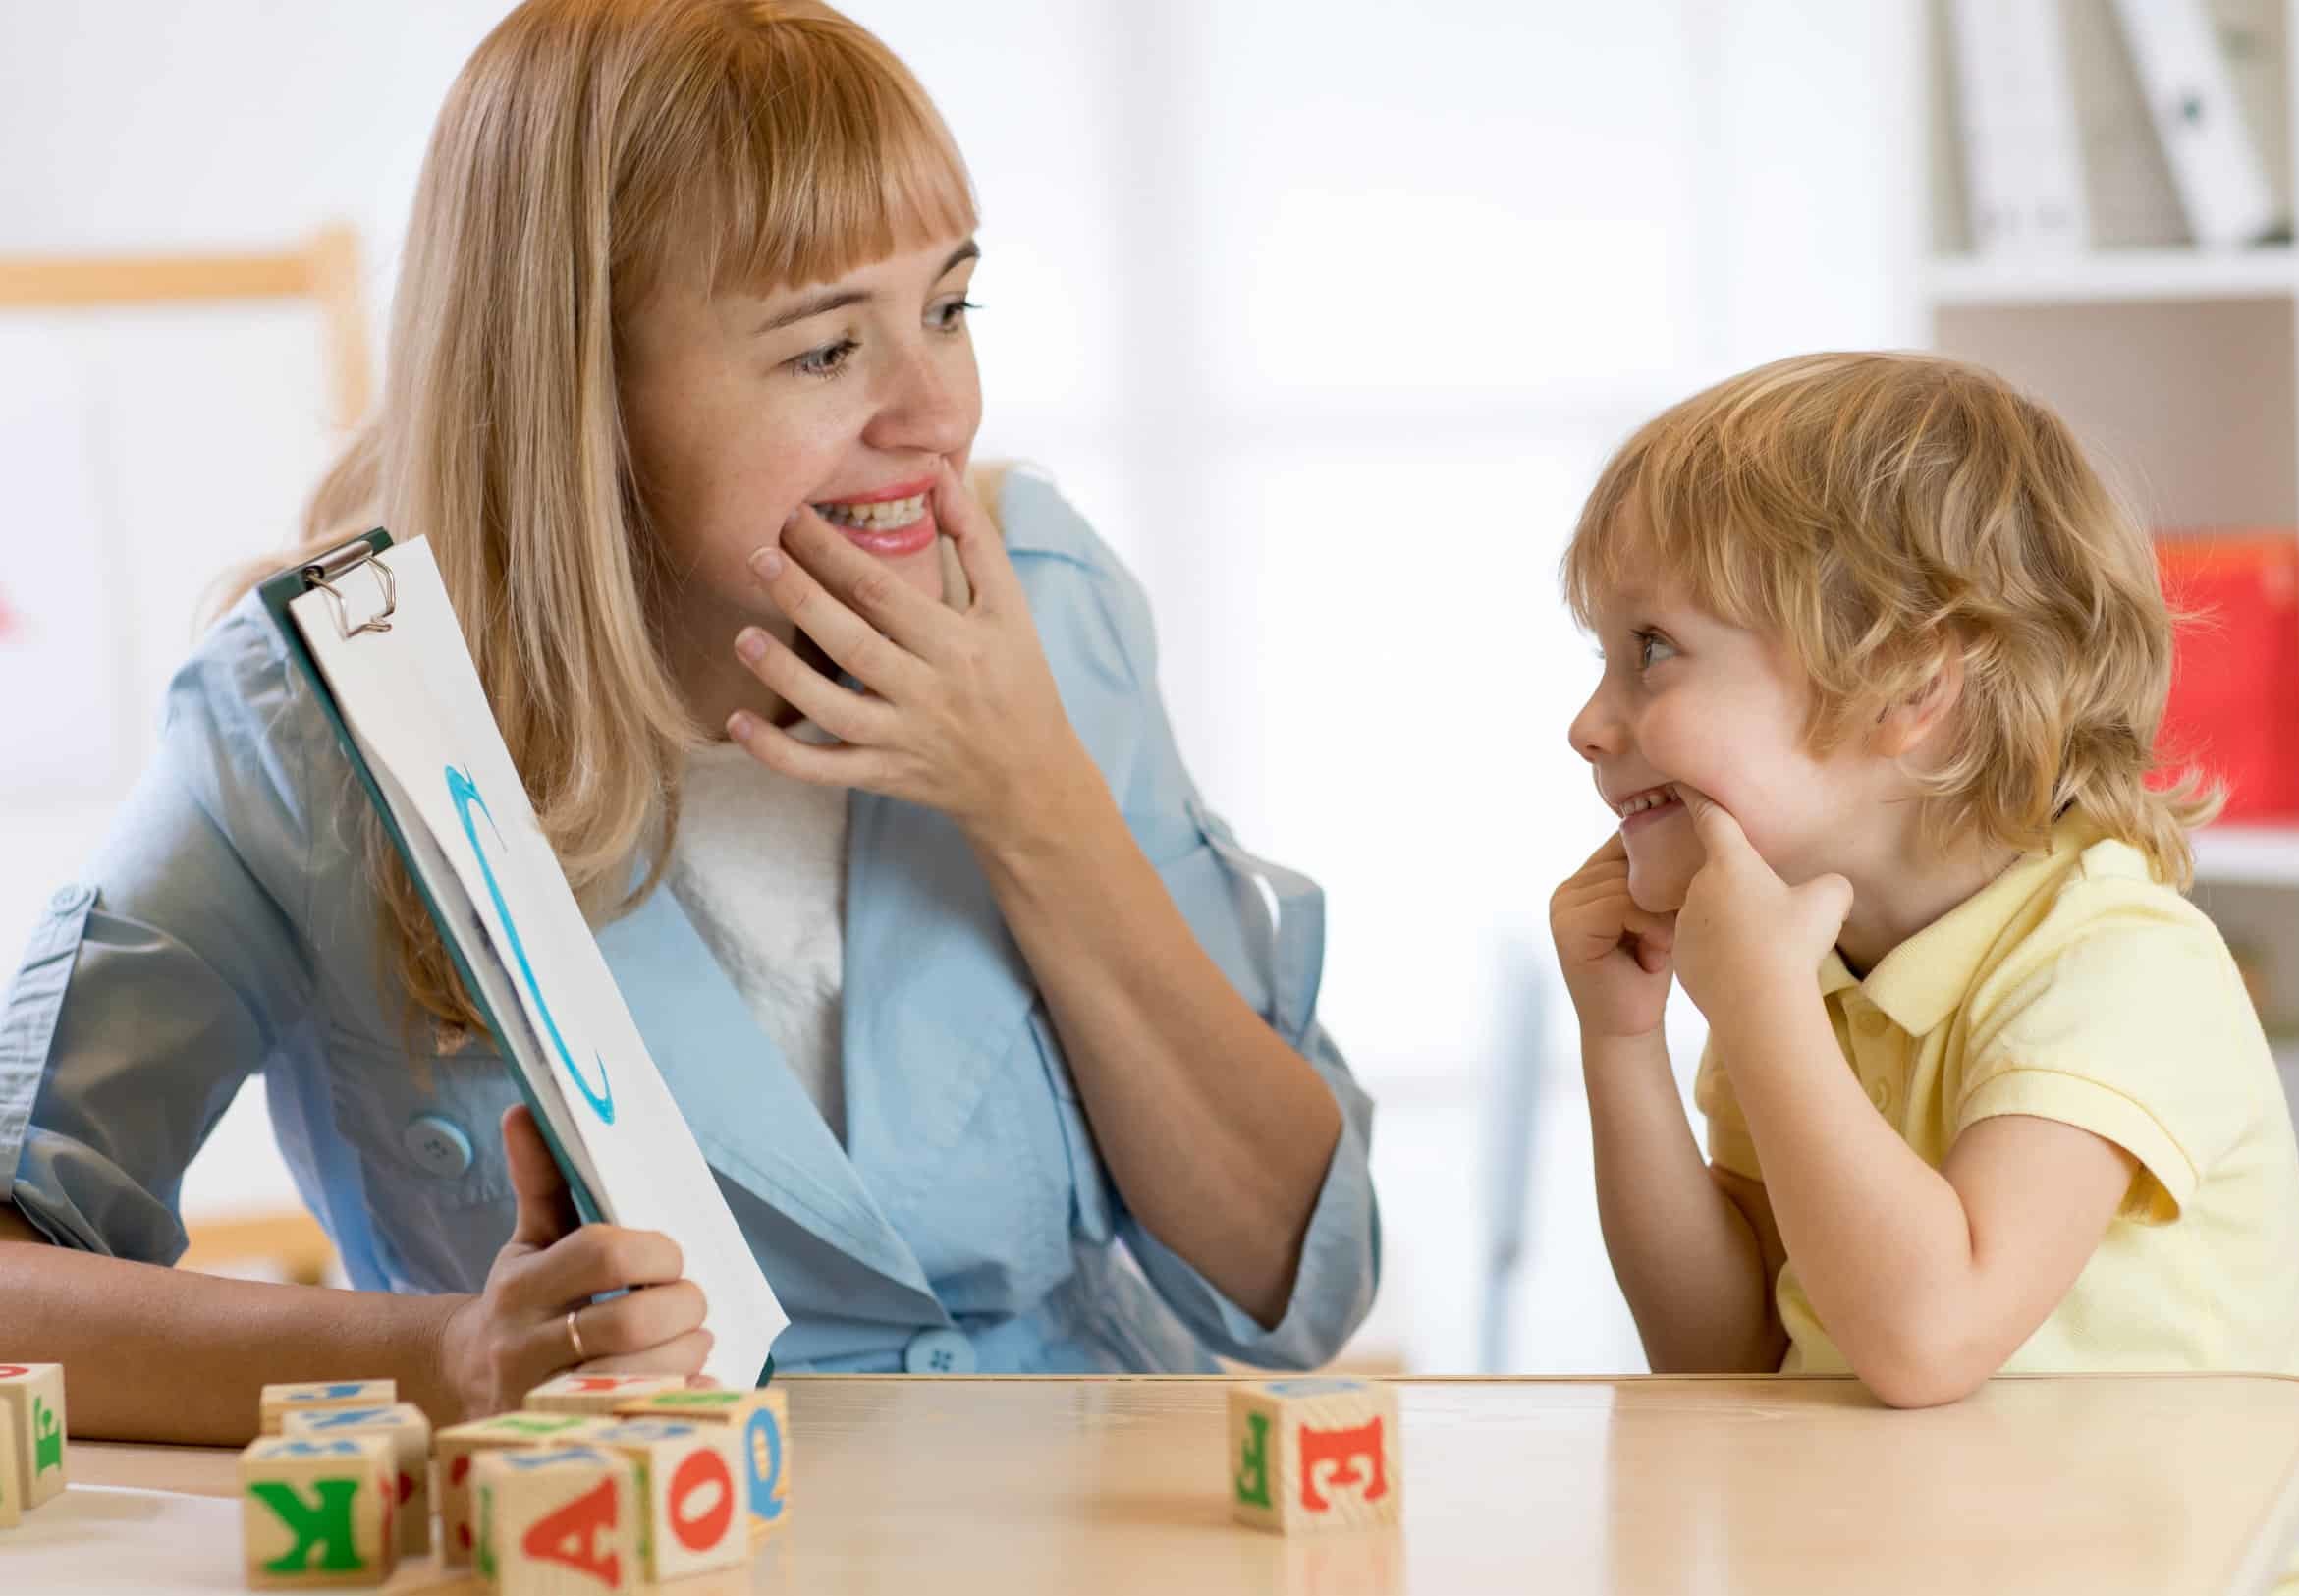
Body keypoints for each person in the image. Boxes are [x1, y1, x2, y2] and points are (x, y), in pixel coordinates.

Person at [0, 0, 1377, 1446]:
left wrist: (1035, 798)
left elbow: (1297, 1279)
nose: (937, 412)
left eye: (948, 308)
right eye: (826, 351)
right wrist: (451, 1358)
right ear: (579, 392)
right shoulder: (305, 723)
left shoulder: (1035, 593)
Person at [1547, 352, 2299, 1590]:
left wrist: (1762, 1007)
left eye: (1651, 650)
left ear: (1909, 683)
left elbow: (1926, 1332)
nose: (1588, 721)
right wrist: (1622, 1042)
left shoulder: (2118, 964)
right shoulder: (1807, 970)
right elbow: (1723, 1352)